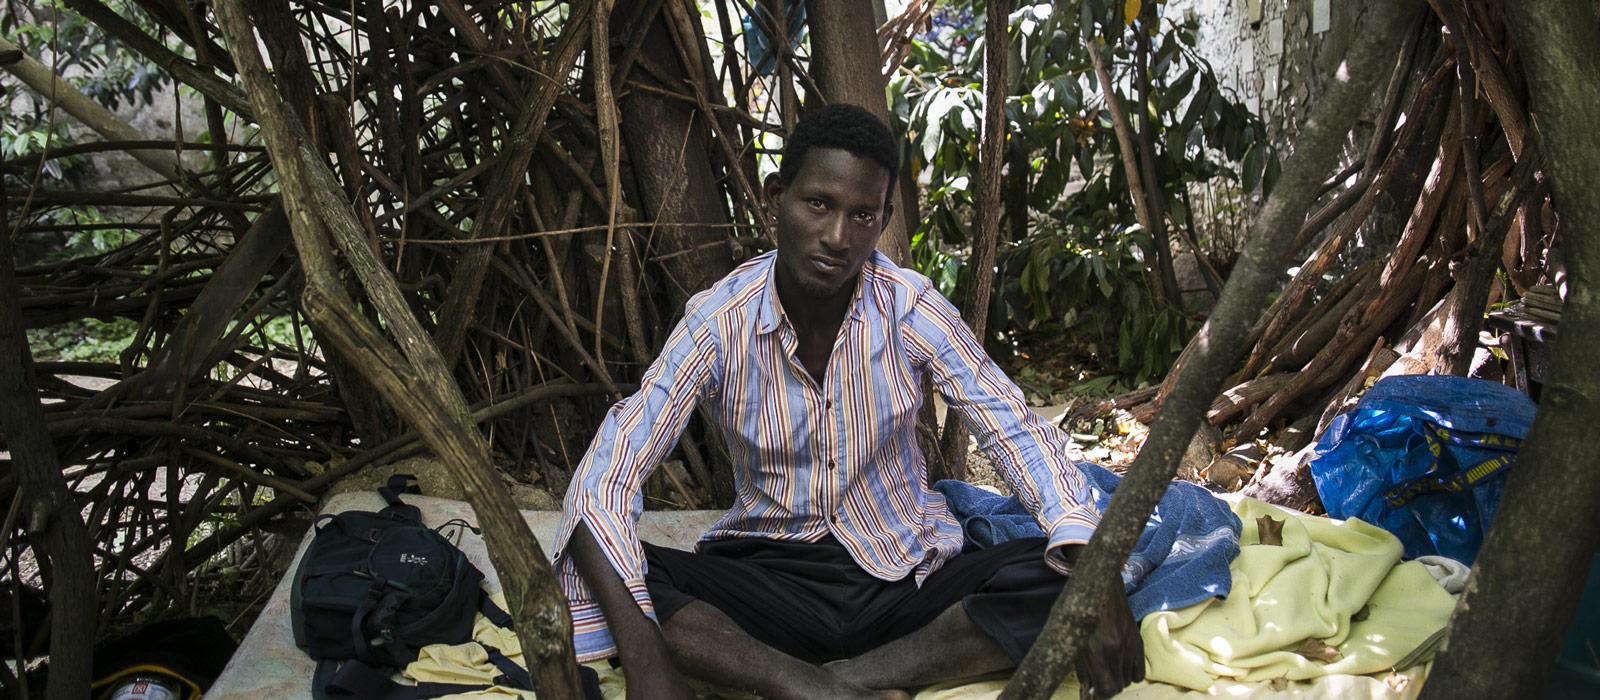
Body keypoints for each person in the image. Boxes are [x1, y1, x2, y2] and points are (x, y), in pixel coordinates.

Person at [550, 104, 1143, 700]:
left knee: (1074, 576)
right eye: (818, 204)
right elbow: (605, 476)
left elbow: (1013, 428)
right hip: (771, 579)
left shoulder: (908, 307)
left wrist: (1089, 565)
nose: (837, 236)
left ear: (884, 219)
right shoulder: (719, 321)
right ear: (775, 197)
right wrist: (647, 660)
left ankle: (830, 684)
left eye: (862, 215)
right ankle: (806, 681)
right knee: (605, 573)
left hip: (904, 580)